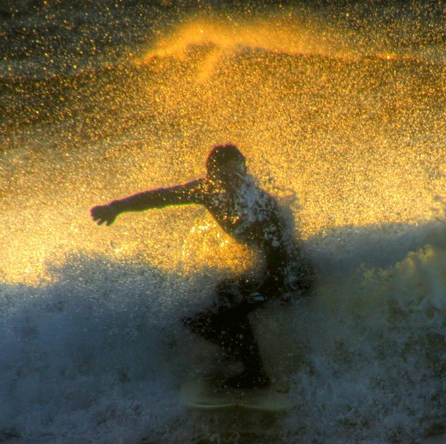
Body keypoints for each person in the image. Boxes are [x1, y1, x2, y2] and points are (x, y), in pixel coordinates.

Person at [91, 144, 312, 389]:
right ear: (212, 177)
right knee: (201, 315)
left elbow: (277, 276)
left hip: (293, 276)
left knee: (231, 305)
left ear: (244, 172)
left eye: (236, 174)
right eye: (223, 176)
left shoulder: (263, 208)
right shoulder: (207, 191)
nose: (230, 182)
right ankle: (239, 354)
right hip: (270, 275)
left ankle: (255, 374)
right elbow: (160, 197)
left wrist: (248, 304)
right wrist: (116, 207)